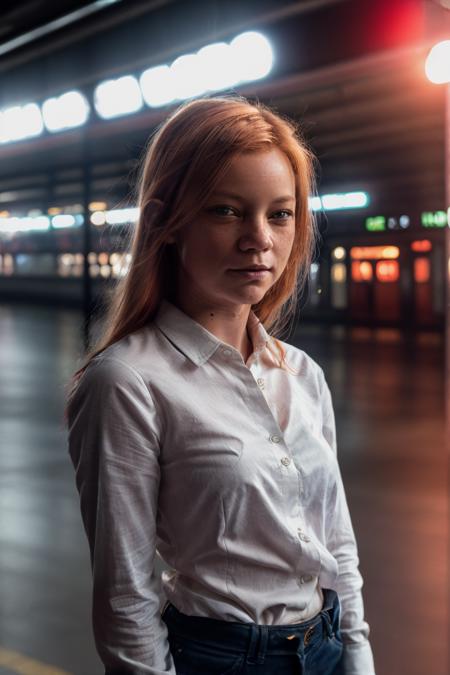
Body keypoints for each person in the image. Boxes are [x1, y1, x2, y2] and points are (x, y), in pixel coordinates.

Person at [66, 95, 376, 675]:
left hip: (326, 648)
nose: (259, 239)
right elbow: (125, 600)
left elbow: (337, 549)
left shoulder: (301, 373)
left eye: (280, 214)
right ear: (164, 223)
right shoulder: (127, 383)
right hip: (222, 660)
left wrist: (357, 659)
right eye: (227, 211)